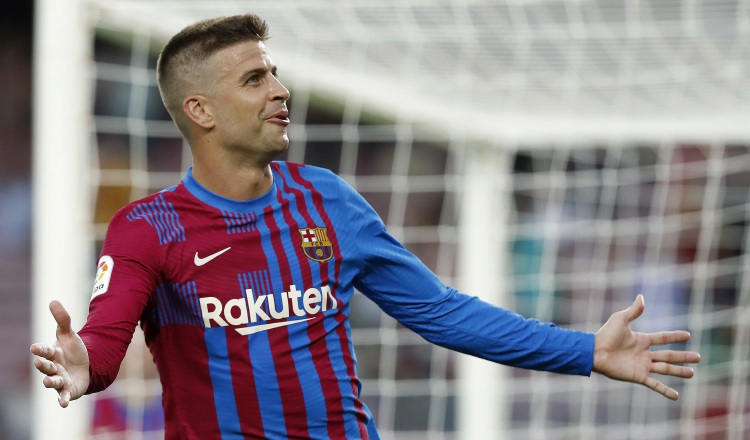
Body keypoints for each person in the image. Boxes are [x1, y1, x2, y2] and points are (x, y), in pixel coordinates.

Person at [30, 14, 701, 440]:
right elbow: (106, 339)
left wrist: (585, 350)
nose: (280, 90)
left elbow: (440, 311)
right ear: (200, 110)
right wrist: (86, 364)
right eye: (255, 79)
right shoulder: (149, 228)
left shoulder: (327, 202)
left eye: (277, 73)